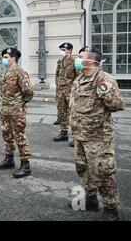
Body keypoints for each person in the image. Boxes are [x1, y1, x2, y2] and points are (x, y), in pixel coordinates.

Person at [70, 46, 125, 221]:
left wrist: (105, 94)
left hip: (98, 137)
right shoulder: (79, 79)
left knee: (102, 173)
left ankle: (111, 209)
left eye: (81, 57)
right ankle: (91, 199)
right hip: (80, 134)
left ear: (92, 60)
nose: (77, 60)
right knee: (82, 168)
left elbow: (117, 105)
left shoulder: (104, 79)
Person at [0, 47, 34, 179]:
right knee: (7, 135)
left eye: (6, 57)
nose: (3, 59)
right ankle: (9, 159)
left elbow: (28, 92)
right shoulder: (6, 72)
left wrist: (19, 103)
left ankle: (25, 164)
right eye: (3, 57)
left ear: (13, 58)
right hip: (5, 109)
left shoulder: (20, 72)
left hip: (16, 111)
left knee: (19, 136)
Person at [53, 43, 78, 146]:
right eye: (61, 49)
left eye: (64, 49)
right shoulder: (60, 61)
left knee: (74, 114)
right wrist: (58, 85)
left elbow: (78, 77)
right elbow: (57, 75)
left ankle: (77, 137)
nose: (62, 51)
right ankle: (64, 133)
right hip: (60, 91)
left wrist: (75, 90)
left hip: (70, 91)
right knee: (62, 112)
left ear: (70, 50)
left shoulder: (75, 61)